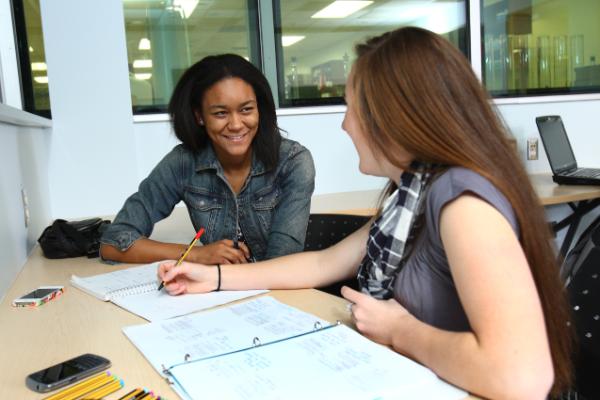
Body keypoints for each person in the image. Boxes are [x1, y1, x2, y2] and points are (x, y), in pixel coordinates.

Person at [157, 28, 573, 399]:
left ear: (392, 120)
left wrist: (398, 330)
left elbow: (522, 378)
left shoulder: (462, 202)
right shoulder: (410, 193)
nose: (345, 125)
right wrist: (211, 277)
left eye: (351, 108)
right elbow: (322, 263)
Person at [100, 54, 315, 265]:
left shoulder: (293, 162)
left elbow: (281, 265)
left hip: (277, 293)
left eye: (246, 109)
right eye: (221, 113)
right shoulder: (183, 164)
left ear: (260, 109)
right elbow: (113, 243)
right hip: (216, 292)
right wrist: (196, 255)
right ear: (199, 116)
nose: (236, 124)